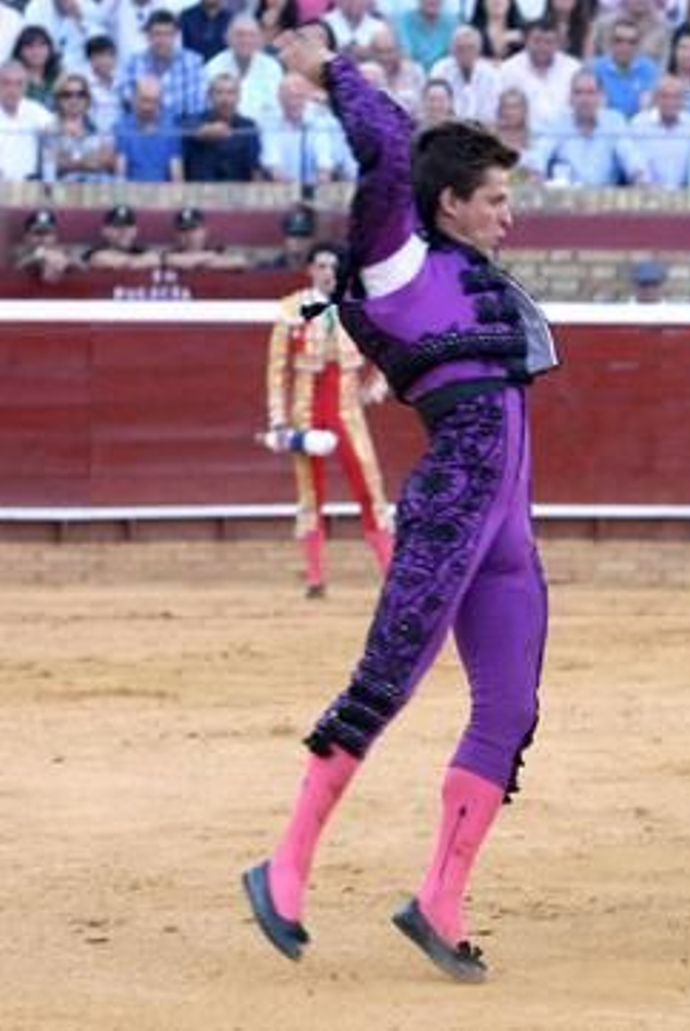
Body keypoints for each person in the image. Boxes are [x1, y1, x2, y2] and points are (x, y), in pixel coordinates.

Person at [245, 25, 560, 985]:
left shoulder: (467, 272)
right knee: (386, 682)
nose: (509, 215)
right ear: (449, 201)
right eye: (495, 198)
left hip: (507, 528)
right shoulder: (394, 262)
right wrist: (329, 68)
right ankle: (285, 863)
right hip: (453, 512)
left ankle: (441, 899)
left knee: (511, 706)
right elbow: (386, 144)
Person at [263, 240, 393, 596]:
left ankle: (391, 574)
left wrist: (376, 387)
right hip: (305, 412)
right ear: (310, 270)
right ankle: (315, 578)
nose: (328, 273)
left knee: (369, 488)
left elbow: (387, 349)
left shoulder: (359, 307)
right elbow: (277, 371)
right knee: (310, 493)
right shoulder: (291, 310)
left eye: (333, 267)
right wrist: (278, 420)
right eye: (321, 266)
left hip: (347, 411)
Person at [163, 205, 251, 270]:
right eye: (183, 230)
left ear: (204, 231)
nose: (189, 235)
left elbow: (241, 261)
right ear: (176, 235)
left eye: (194, 229)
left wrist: (191, 262)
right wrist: (211, 256)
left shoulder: (216, 249)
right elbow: (165, 260)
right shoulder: (171, 253)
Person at [82, 204, 162, 269]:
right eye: (117, 226)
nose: (123, 231)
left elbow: (155, 259)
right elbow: (97, 259)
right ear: (105, 231)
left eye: (128, 226)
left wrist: (126, 263)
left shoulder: (141, 250)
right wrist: (138, 262)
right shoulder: (94, 252)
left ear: (135, 231)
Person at [13, 207, 80, 283]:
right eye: (37, 233)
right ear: (27, 236)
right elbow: (16, 267)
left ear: (55, 237)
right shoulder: (19, 252)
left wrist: (66, 262)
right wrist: (41, 256)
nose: (43, 238)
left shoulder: (65, 250)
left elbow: (82, 264)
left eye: (48, 233)